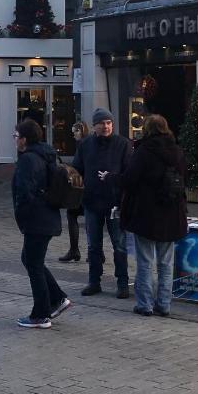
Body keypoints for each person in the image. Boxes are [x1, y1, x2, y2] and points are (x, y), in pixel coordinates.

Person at [120, 115, 187, 317]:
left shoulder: (144, 151)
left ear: (147, 130)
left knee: (145, 261)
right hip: (172, 213)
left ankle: (145, 304)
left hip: (146, 214)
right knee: (166, 263)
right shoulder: (177, 151)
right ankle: (164, 304)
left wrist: (111, 178)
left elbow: (129, 180)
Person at [12, 119, 71, 328]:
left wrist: (21, 214)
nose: (15, 140)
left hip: (36, 218)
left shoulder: (28, 159)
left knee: (33, 264)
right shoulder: (47, 155)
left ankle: (41, 314)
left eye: (16, 136)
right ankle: (57, 298)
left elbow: (24, 191)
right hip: (48, 215)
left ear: (25, 139)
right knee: (29, 259)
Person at [73, 108, 132, 298]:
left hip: (115, 203)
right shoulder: (85, 144)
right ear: (94, 126)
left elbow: (129, 172)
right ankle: (94, 281)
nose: (106, 126)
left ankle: (122, 283)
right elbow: (77, 169)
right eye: (102, 123)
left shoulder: (123, 144)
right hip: (91, 202)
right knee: (93, 245)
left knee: (119, 245)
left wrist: (115, 182)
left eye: (109, 123)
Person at [59, 120, 89, 263]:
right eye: (73, 132)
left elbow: (78, 166)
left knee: (74, 214)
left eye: (76, 131)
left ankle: (75, 250)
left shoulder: (83, 144)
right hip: (87, 187)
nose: (74, 135)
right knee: (78, 215)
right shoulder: (85, 144)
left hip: (84, 188)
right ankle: (89, 250)